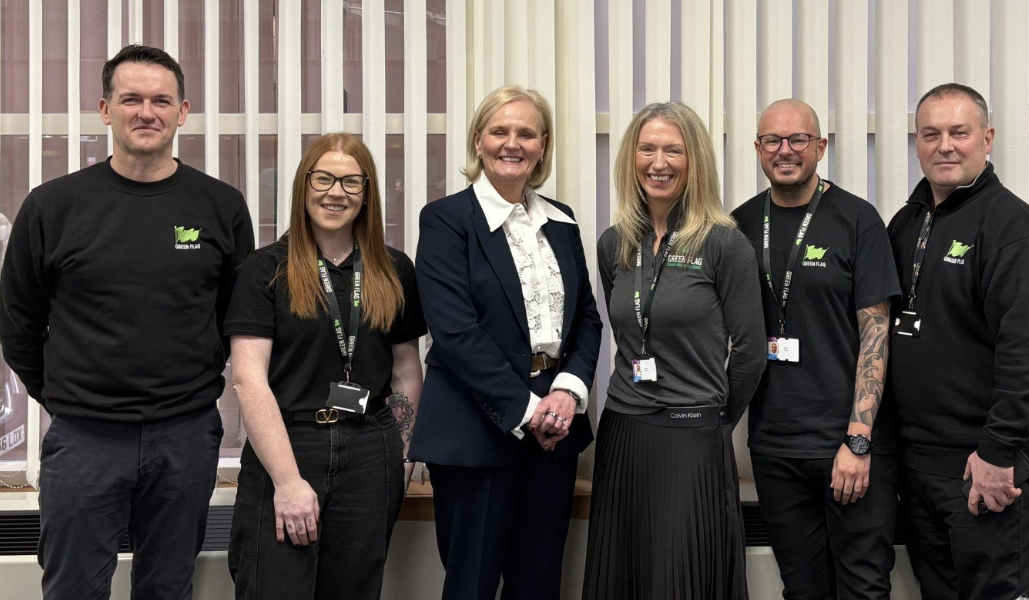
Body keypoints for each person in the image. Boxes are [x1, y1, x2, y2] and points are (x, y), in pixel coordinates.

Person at [0, 44, 254, 599]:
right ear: (105, 109)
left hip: (185, 436)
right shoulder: (52, 207)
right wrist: (68, 397)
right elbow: (18, 325)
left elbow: (236, 321)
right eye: (131, 99)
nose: (146, 112)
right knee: (73, 589)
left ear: (182, 112)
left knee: (168, 588)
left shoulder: (221, 206)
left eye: (161, 101)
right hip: (84, 438)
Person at [409, 85, 602, 600]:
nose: (512, 143)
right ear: (478, 141)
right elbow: (455, 333)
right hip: (476, 432)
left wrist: (567, 393)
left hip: (556, 432)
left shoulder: (560, 220)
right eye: (499, 131)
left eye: (526, 133)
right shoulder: (446, 219)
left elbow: (586, 318)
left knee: (537, 585)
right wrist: (531, 411)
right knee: (471, 586)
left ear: (543, 145)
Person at [224, 133, 426, 599]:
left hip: (370, 449)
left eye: (351, 182)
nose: (337, 192)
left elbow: (405, 369)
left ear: (367, 193)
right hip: (290, 444)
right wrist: (287, 481)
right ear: (304, 186)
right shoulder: (265, 269)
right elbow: (249, 379)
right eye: (324, 179)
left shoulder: (393, 269)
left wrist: (401, 455)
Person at [885, 83, 1029, 600]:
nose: (944, 146)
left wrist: (997, 452)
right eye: (930, 134)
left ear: (986, 139)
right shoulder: (906, 222)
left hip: (984, 463)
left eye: (959, 133)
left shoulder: (1014, 230)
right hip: (920, 464)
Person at [582, 101, 765, 600]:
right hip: (623, 430)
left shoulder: (724, 245)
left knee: (677, 577)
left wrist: (714, 418)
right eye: (647, 149)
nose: (658, 162)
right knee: (623, 576)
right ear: (631, 157)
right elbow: (627, 333)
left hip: (691, 439)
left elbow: (750, 352)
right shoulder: (615, 243)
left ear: (695, 160)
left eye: (673, 150)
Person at [731, 98, 900, 600]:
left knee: (863, 587)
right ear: (758, 149)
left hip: (846, 444)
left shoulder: (857, 220)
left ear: (820, 147)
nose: (785, 150)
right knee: (802, 590)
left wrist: (858, 441)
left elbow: (876, 334)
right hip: (774, 446)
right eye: (772, 140)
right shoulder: (738, 226)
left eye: (798, 139)